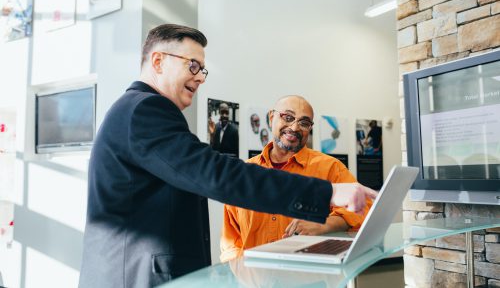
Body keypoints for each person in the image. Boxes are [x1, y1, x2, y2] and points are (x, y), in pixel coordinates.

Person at [79, 24, 376, 288]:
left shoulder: (138, 111)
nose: (200, 77)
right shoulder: (145, 110)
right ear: (158, 61)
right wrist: (329, 193)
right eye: (193, 66)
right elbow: (216, 174)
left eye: (202, 69)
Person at [220, 96, 373, 262]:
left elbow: (364, 208)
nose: (294, 127)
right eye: (288, 117)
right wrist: (240, 274)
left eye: (304, 123)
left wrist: (324, 224)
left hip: (310, 278)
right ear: (272, 118)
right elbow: (231, 240)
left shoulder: (330, 168)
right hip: (254, 279)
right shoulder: (245, 173)